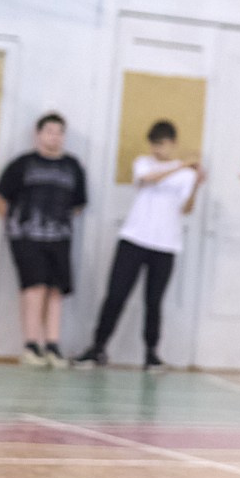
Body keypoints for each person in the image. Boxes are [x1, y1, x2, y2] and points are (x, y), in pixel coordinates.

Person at [75, 120, 198, 371]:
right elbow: (147, 180)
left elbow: (186, 208)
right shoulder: (144, 163)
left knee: (154, 301)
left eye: (162, 145)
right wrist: (182, 165)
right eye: (154, 145)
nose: (157, 150)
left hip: (165, 246)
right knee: (116, 295)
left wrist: (195, 182)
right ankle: (98, 347)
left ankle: (151, 353)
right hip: (133, 240)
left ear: (172, 143)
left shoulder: (187, 175)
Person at [0, 113, 87, 368]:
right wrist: (16, 227)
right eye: (49, 131)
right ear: (38, 134)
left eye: (59, 132)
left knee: (56, 289)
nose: (54, 136)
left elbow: (78, 204)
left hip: (59, 237)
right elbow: (0, 196)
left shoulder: (73, 166)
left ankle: (53, 345)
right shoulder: (23, 164)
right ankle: (32, 344)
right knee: (34, 287)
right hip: (27, 237)